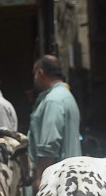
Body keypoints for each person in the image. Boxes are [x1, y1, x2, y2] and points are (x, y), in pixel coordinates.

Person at [27, 54, 81, 188]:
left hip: (57, 184)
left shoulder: (53, 101)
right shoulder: (65, 96)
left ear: (40, 73)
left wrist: (40, 179)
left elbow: (49, 146)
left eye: (34, 74)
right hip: (70, 178)